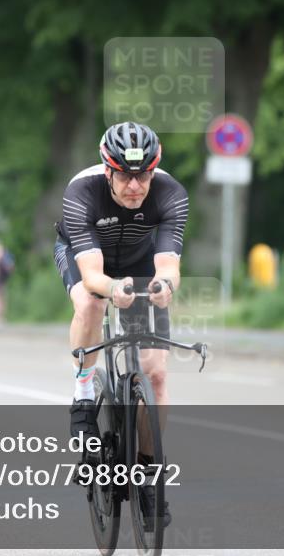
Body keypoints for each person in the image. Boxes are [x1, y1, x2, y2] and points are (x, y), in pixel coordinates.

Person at [54, 121, 187, 528]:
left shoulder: (171, 194)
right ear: (107, 171)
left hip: (139, 264)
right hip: (88, 262)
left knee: (157, 375)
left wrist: (164, 286)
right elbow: (93, 276)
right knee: (91, 305)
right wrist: (113, 288)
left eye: (144, 174)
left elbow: (168, 267)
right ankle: (82, 394)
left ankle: (146, 471)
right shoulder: (81, 193)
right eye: (126, 175)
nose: (135, 185)